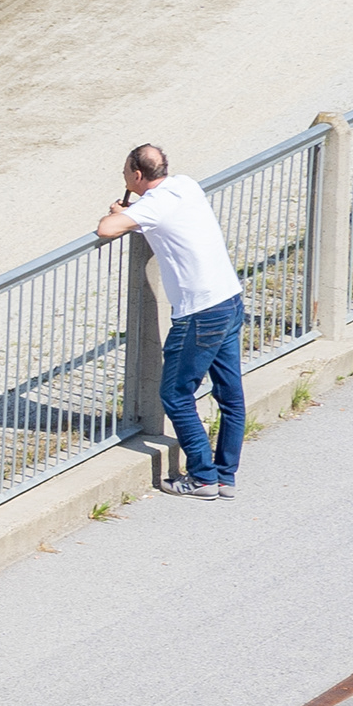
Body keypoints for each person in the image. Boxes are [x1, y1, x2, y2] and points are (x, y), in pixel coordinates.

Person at [96, 143, 247, 498]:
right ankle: (225, 476)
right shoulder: (185, 185)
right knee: (231, 396)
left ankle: (203, 477)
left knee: (175, 395)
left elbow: (106, 228)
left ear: (136, 174)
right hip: (229, 299)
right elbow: (163, 219)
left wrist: (121, 213)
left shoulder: (152, 207)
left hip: (199, 314)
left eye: (125, 172)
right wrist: (135, 213)